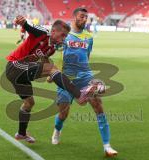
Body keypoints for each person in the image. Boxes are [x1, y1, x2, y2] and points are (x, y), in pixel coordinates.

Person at [5, 15, 98, 143]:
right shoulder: (43, 33)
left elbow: (44, 60)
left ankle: (21, 133)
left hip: (19, 75)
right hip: (15, 66)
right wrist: (23, 22)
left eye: (66, 36)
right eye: (63, 35)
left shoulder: (52, 49)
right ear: (54, 31)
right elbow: (28, 26)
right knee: (52, 69)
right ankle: (79, 94)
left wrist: (50, 73)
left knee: (29, 103)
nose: (64, 39)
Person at [50, 8, 118, 157]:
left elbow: (87, 56)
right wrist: (53, 73)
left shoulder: (89, 36)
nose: (85, 19)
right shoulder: (65, 34)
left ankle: (107, 146)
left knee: (98, 106)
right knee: (63, 113)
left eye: (86, 17)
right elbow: (55, 52)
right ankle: (57, 130)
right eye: (82, 16)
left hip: (85, 76)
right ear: (74, 17)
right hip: (66, 78)